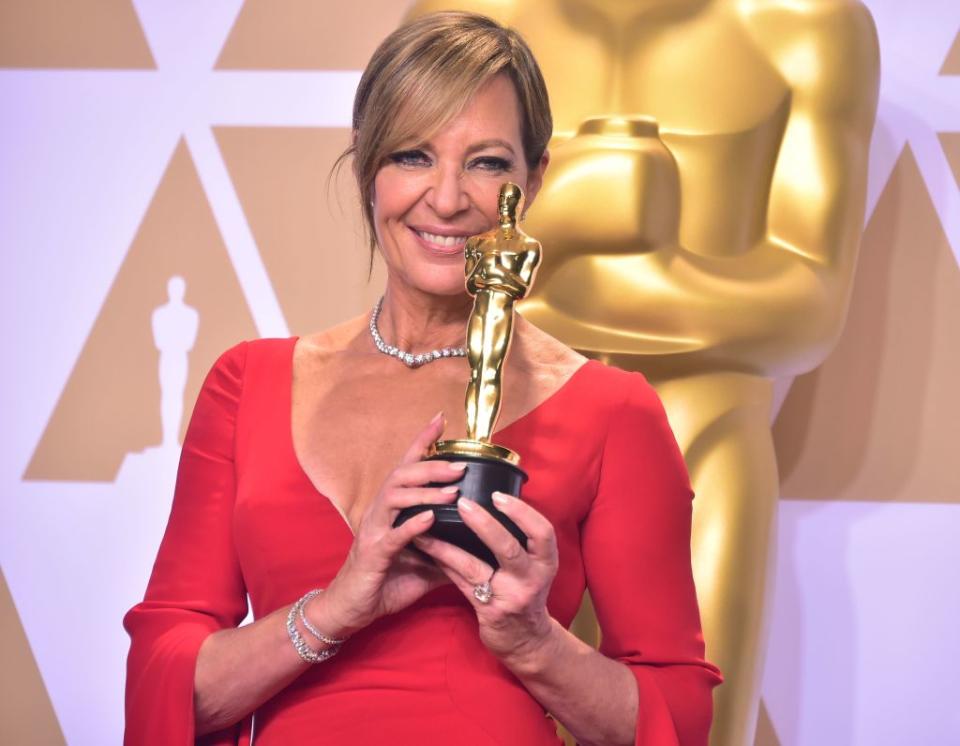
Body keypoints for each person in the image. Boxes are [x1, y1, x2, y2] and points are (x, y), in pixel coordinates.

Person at [123, 11, 721, 746]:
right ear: (367, 166)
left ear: (533, 181)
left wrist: (533, 643)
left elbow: (679, 719)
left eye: (487, 162)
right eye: (412, 155)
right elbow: (166, 694)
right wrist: (338, 607)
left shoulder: (611, 410)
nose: (445, 199)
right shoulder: (248, 384)